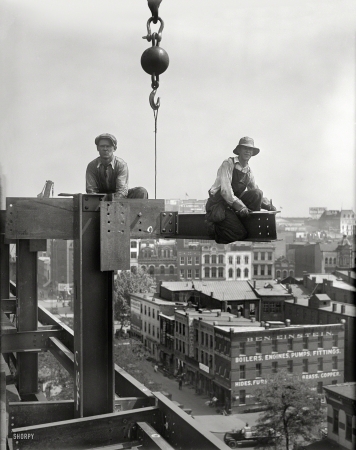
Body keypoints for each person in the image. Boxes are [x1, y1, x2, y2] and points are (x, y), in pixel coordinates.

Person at [205, 136, 276, 244]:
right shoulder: (228, 163)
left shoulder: (248, 171)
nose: (248, 151)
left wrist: (268, 206)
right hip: (219, 205)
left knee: (258, 194)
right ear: (239, 150)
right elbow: (226, 192)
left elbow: (254, 189)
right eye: (245, 148)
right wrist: (241, 207)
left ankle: (243, 222)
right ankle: (215, 227)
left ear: (252, 153)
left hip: (233, 206)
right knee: (240, 233)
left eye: (250, 149)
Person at [86, 133, 148, 198]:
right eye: (102, 146)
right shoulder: (92, 166)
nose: (105, 149)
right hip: (100, 198)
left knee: (141, 191)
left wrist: (113, 204)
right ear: (97, 148)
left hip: (117, 198)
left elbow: (121, 190)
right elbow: (91, 190)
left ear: (114, 148)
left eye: (108, 146)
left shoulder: (121, 164)